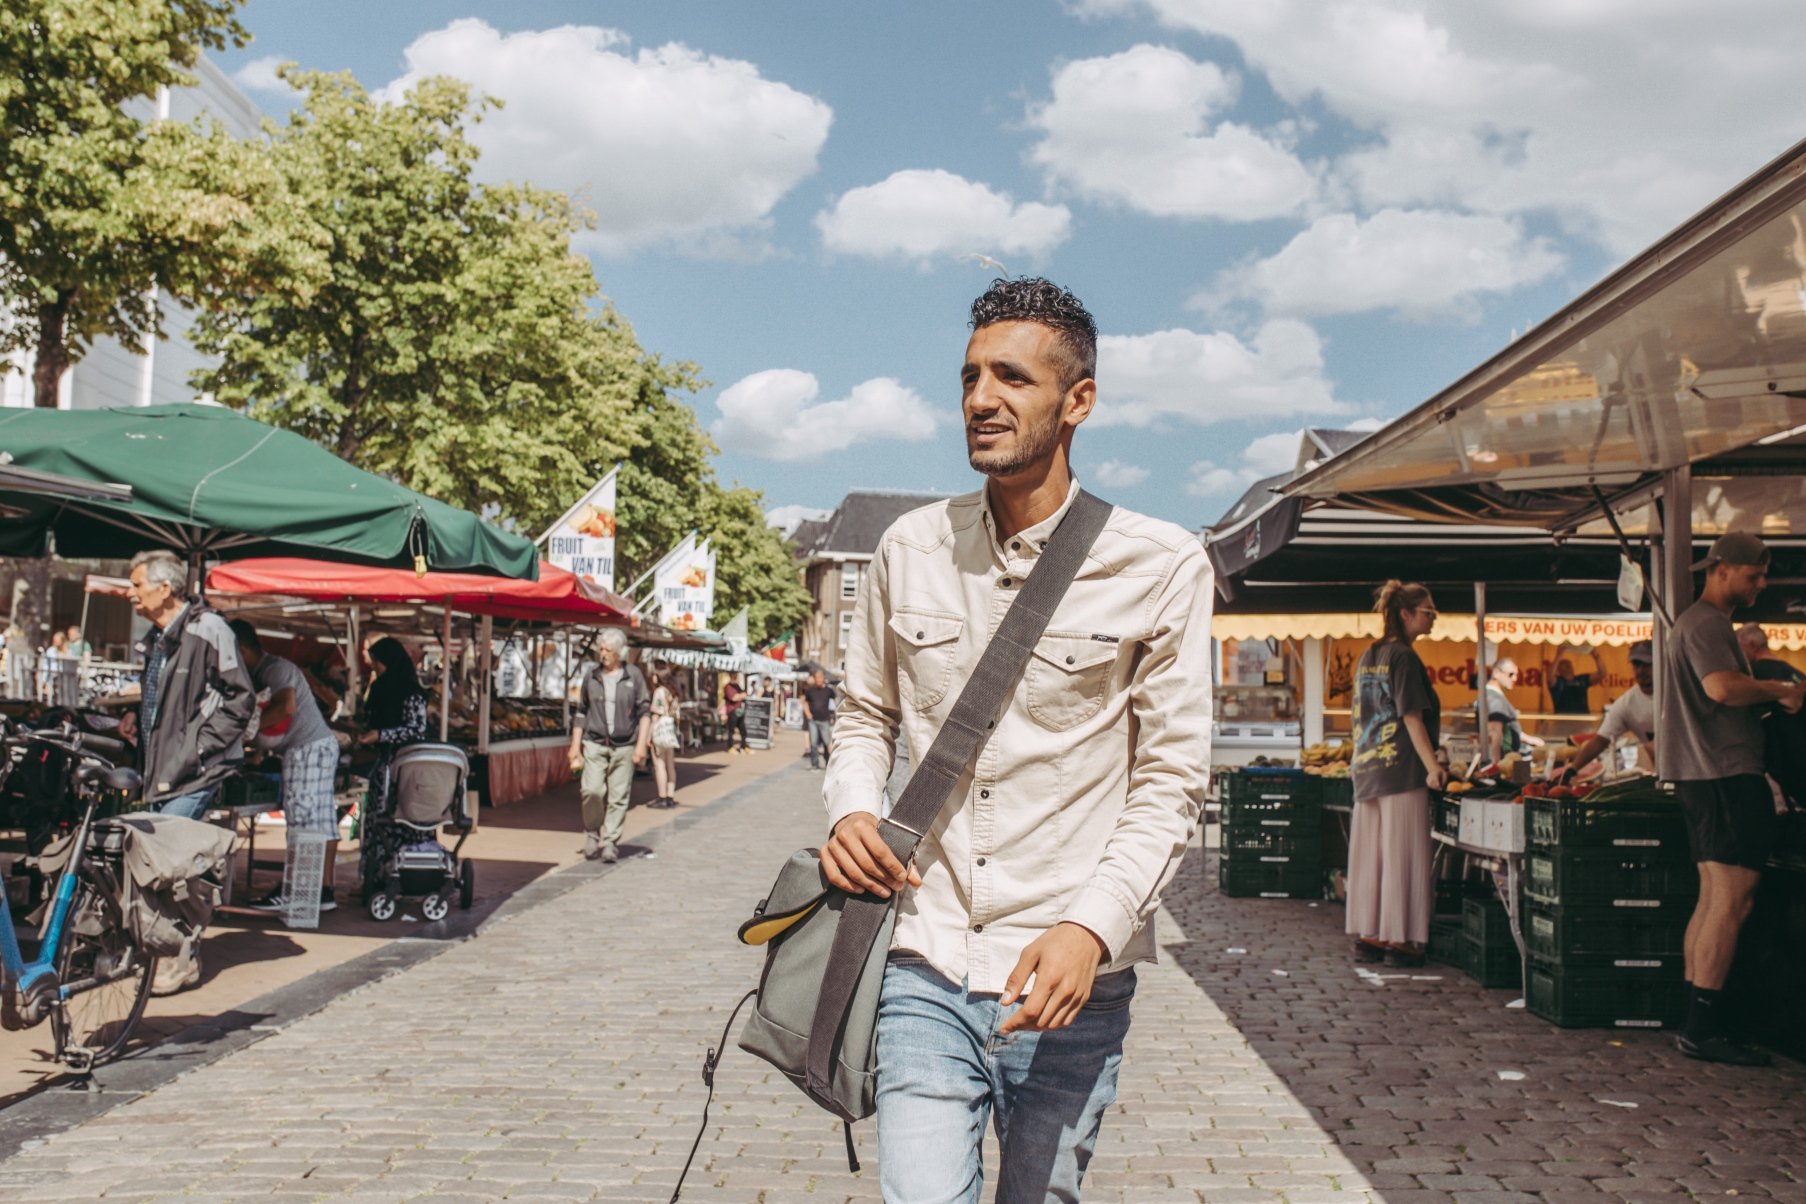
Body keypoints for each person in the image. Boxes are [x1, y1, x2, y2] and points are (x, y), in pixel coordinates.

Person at [821, 277, 1212, 1202]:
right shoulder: (908, 548)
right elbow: (863, 716)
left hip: (1069, 978)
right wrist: (849, 811)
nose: (980, 399)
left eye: (1011, 378)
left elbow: (1171, 779)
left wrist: (1091, 927)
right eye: (968, 378)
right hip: (924, 953)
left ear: (1077, 401)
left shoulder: (1159, 565)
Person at [1659, 532, 1805, 1066]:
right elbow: (1721, 688)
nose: (1762, 585)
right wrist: (1780, 688)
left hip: (1705, 778)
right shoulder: (1706, 623)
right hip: (1723, 773)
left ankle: (1696, 1020)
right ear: (1721, 569)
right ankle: (1702, 1028)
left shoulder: (1698, 624)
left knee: (1713, 897)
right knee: (1730, 900)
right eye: (1754, 575)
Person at [127, 549, 256, 995]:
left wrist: (198, 749)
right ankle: (163, 951)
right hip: (162, 769)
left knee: (172, 862)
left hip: (195, 770)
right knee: (161, 860)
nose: (130, 594)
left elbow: (241, 699)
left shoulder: (208, 630)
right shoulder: (158, 637)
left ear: (165, 588)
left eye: (136, 585)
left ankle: (180, 958)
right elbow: (163, 701)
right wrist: (134, 718)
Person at [1348, 580, 1445, 968]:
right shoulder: (1404, 657)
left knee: (1371, 858)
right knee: (1405, 856)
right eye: (1428, 612)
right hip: (1401, 769)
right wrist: (1434, 767)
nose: (1433, 618)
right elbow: (1411, 717)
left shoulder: (1369, 654)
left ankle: (1370, 933)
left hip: (1367, 767)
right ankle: (1401, 938)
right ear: (1406, 614)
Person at [230, 620, 342, 914]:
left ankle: (296, 890)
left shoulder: (274, 669)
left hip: (307, 749)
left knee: (303, 820)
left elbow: (286, 707)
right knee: (320, 821)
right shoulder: (265, 671)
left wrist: (245, 737)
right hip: (314, 748)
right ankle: (321, 892)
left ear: (241, 649)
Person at [566, 628, 649, 863]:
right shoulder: (591, 676)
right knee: (591, 790)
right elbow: (581, 711)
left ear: (620, 653)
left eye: (608, 650)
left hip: (625, 744)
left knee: (619, 795)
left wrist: (641, 745)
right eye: (601, 649)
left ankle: (610, 841)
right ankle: (593, 831)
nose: (603, 654)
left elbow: (644, 712)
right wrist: (575, 746)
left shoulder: (633, 676)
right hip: (594, 741)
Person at [355, 637, 430, 896]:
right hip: (382, 770)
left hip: (406, 770)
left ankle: (413, 876)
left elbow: (416, 730)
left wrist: (381, 735)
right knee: (378, 822)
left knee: (407, 819)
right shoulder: (379, 689)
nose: (374, 667)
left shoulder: (411, 693)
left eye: (377, 662)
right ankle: (376, 877)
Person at [1558, 639, 1656, 783]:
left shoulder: (1676, 694)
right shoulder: (1627, 704)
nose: (1641, 670)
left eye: (1647, 664)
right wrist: (1573, 768)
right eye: (1636, 664)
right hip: (1664, 773)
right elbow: (1600, 740)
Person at [1476, 658, 1544, 766]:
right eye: (1511, 674)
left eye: (1517, 675)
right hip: (1503, 760)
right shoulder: (1494, 698)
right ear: (1496, 673)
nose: (1515, 679)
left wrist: (1528, 739)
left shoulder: (1492, 695)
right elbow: (1494, 731)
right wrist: (1495, 764)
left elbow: (1505, 728)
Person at [648, 666, 681, 810]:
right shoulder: (673, 692)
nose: (652, 677)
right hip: (671, 729)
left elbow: (656, 714)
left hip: (660, 729)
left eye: (654, 674)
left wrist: (648, 734)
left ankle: (662, 797)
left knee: (659, 764)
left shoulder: (659, 692)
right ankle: (670, 796)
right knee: (670, 765)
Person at [801, 668, 835, 771]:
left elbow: (836, 701)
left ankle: (827, 761)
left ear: (823, 678)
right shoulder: (810, 690)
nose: (818, 680)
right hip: (813, 720)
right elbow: (805, 702)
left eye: (820, 678)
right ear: (814, 679)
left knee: (826, 741)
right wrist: (808, 713)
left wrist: (835, 715)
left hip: (825, 719)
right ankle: (814, 764)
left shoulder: (829, 690)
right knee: (814, 743)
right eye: (817, 678)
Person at [2, 621, 31, 700]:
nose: (6, 640)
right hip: (9, 675)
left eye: (8, 638)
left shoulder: (20, 649)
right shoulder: (8, 649)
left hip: (17, 676)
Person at [722, 674, 749, 753]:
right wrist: (741, 696)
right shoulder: (728, 687)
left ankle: (743, 746)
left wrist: (740, 696)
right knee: (731, 730)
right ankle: (730, 746)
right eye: (734, 675)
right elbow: (733, 698)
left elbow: (743, 695)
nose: (736, 677)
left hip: (740, 710)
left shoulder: (737, 686)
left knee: (743, 730)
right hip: (732, 711)